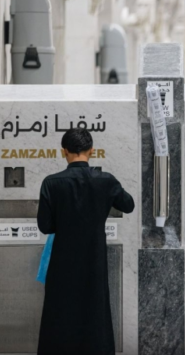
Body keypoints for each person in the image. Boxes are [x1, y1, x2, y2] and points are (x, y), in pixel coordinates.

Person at [36, 128, 134, 355]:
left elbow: (45, 226)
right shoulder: (105, 180)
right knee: (95, 310)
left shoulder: (51, 183)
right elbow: (128, 205)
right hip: (94, 259)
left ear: (64, 151)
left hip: (62, 261)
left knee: (60, 311)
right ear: (92, 150)